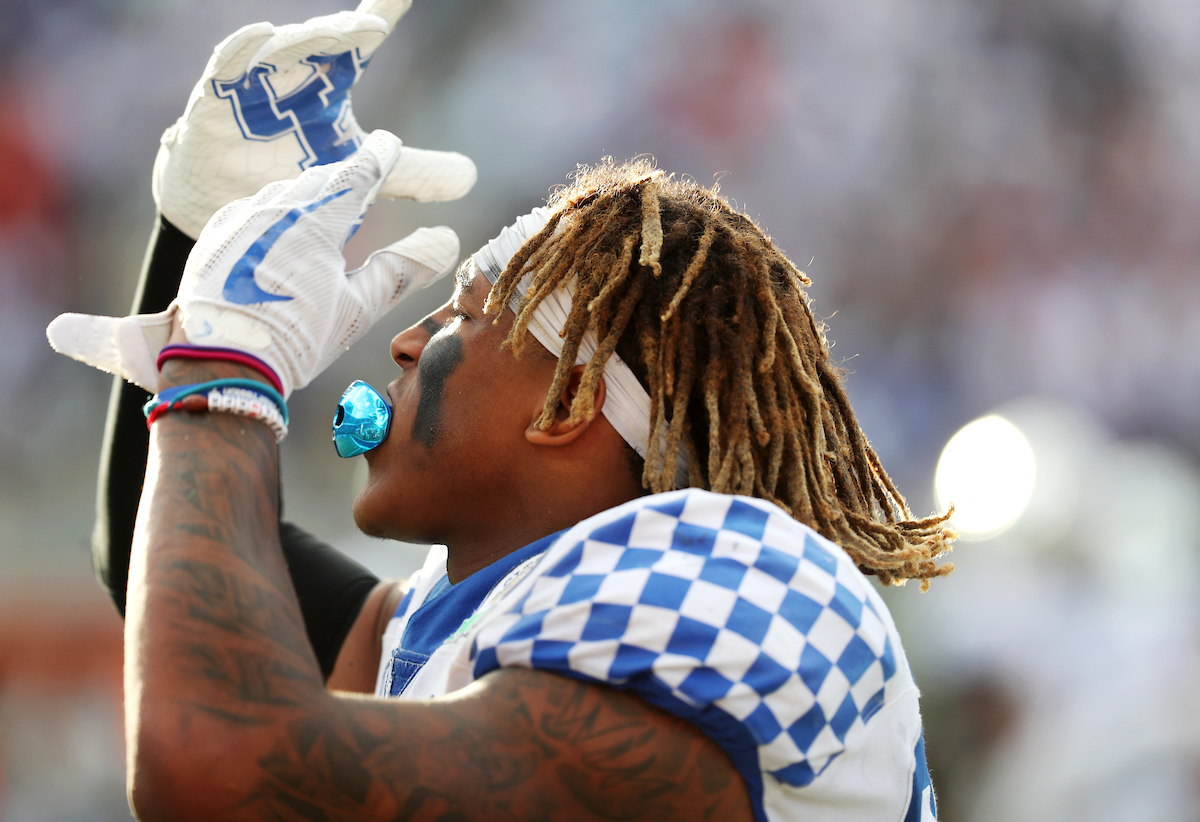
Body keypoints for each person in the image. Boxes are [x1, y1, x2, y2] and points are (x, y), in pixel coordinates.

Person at [47, 3, 953, 820]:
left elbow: (213, 760)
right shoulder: (451, 623)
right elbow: (158, 553)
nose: (404, 345)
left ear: (571, 403)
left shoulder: (750, 585)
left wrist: (226, 361)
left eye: (459, 322)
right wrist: (200, 224)